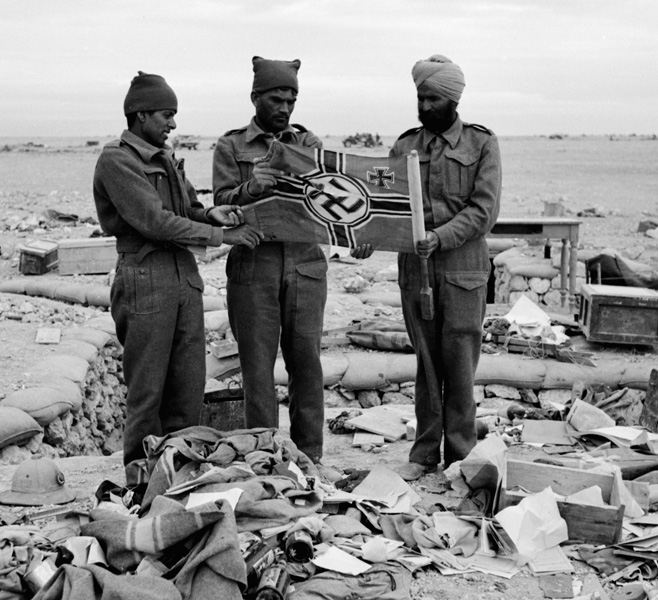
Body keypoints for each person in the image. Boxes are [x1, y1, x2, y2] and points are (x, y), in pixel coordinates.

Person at [93, 71, 263, 484]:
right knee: (147, 392)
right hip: (145, 276)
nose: (172, 124)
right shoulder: (117, 160)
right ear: (140, 115)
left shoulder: (165, 156)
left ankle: (180, 476)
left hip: (183, 277)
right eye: (166, 115)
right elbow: (154, 221)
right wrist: (221, 235)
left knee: (188, 388)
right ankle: (139, 483)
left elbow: (186, 206)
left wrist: (210, 214)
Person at [213, 57, 371, 466]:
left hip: (304, 265)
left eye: (292, 99)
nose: (285, 107)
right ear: (255, 98)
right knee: (257, 370)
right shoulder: (231, 146)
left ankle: (309, 459)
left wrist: (363, 235)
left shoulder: (309, 145)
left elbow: (337, 199)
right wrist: (250, 188)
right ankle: (266, 458)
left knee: (306, 364)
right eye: (277, 99)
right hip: (254, 265)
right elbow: (220, 204)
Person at [390, 55, 502, 481]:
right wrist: (370, 236)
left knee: (458, 363)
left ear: (453, 99)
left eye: (432, 98)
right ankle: (423, 454)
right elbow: (390, 206)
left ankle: (459, 454)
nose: (423, 105)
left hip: (462, 268)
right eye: (419, 97)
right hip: (415, 270)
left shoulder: (482, 144)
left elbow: (483, 211)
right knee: (425, 363)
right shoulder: (405, 146)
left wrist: (441, 237)